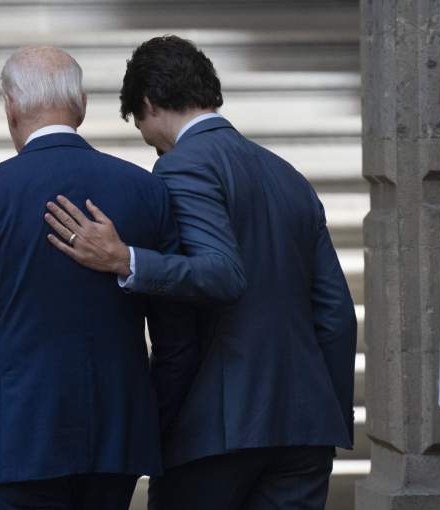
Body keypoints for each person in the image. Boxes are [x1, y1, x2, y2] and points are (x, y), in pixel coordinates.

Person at [46, 35, 357, 510]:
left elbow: (221, 273)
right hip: (305, 430)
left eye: (140, 126)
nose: (150, 143)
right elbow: (336, 315)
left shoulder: (181, 167)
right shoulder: (289, 176)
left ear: (149, 103)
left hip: (219, 430)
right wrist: (326, 417)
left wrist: (126, 260)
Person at [0, 46, 198, 510]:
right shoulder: (146, 189)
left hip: (21, 441)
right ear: (82, 105)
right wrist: (149, 421)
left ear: (11, 106)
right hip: (116, 440)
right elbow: (178, 337)